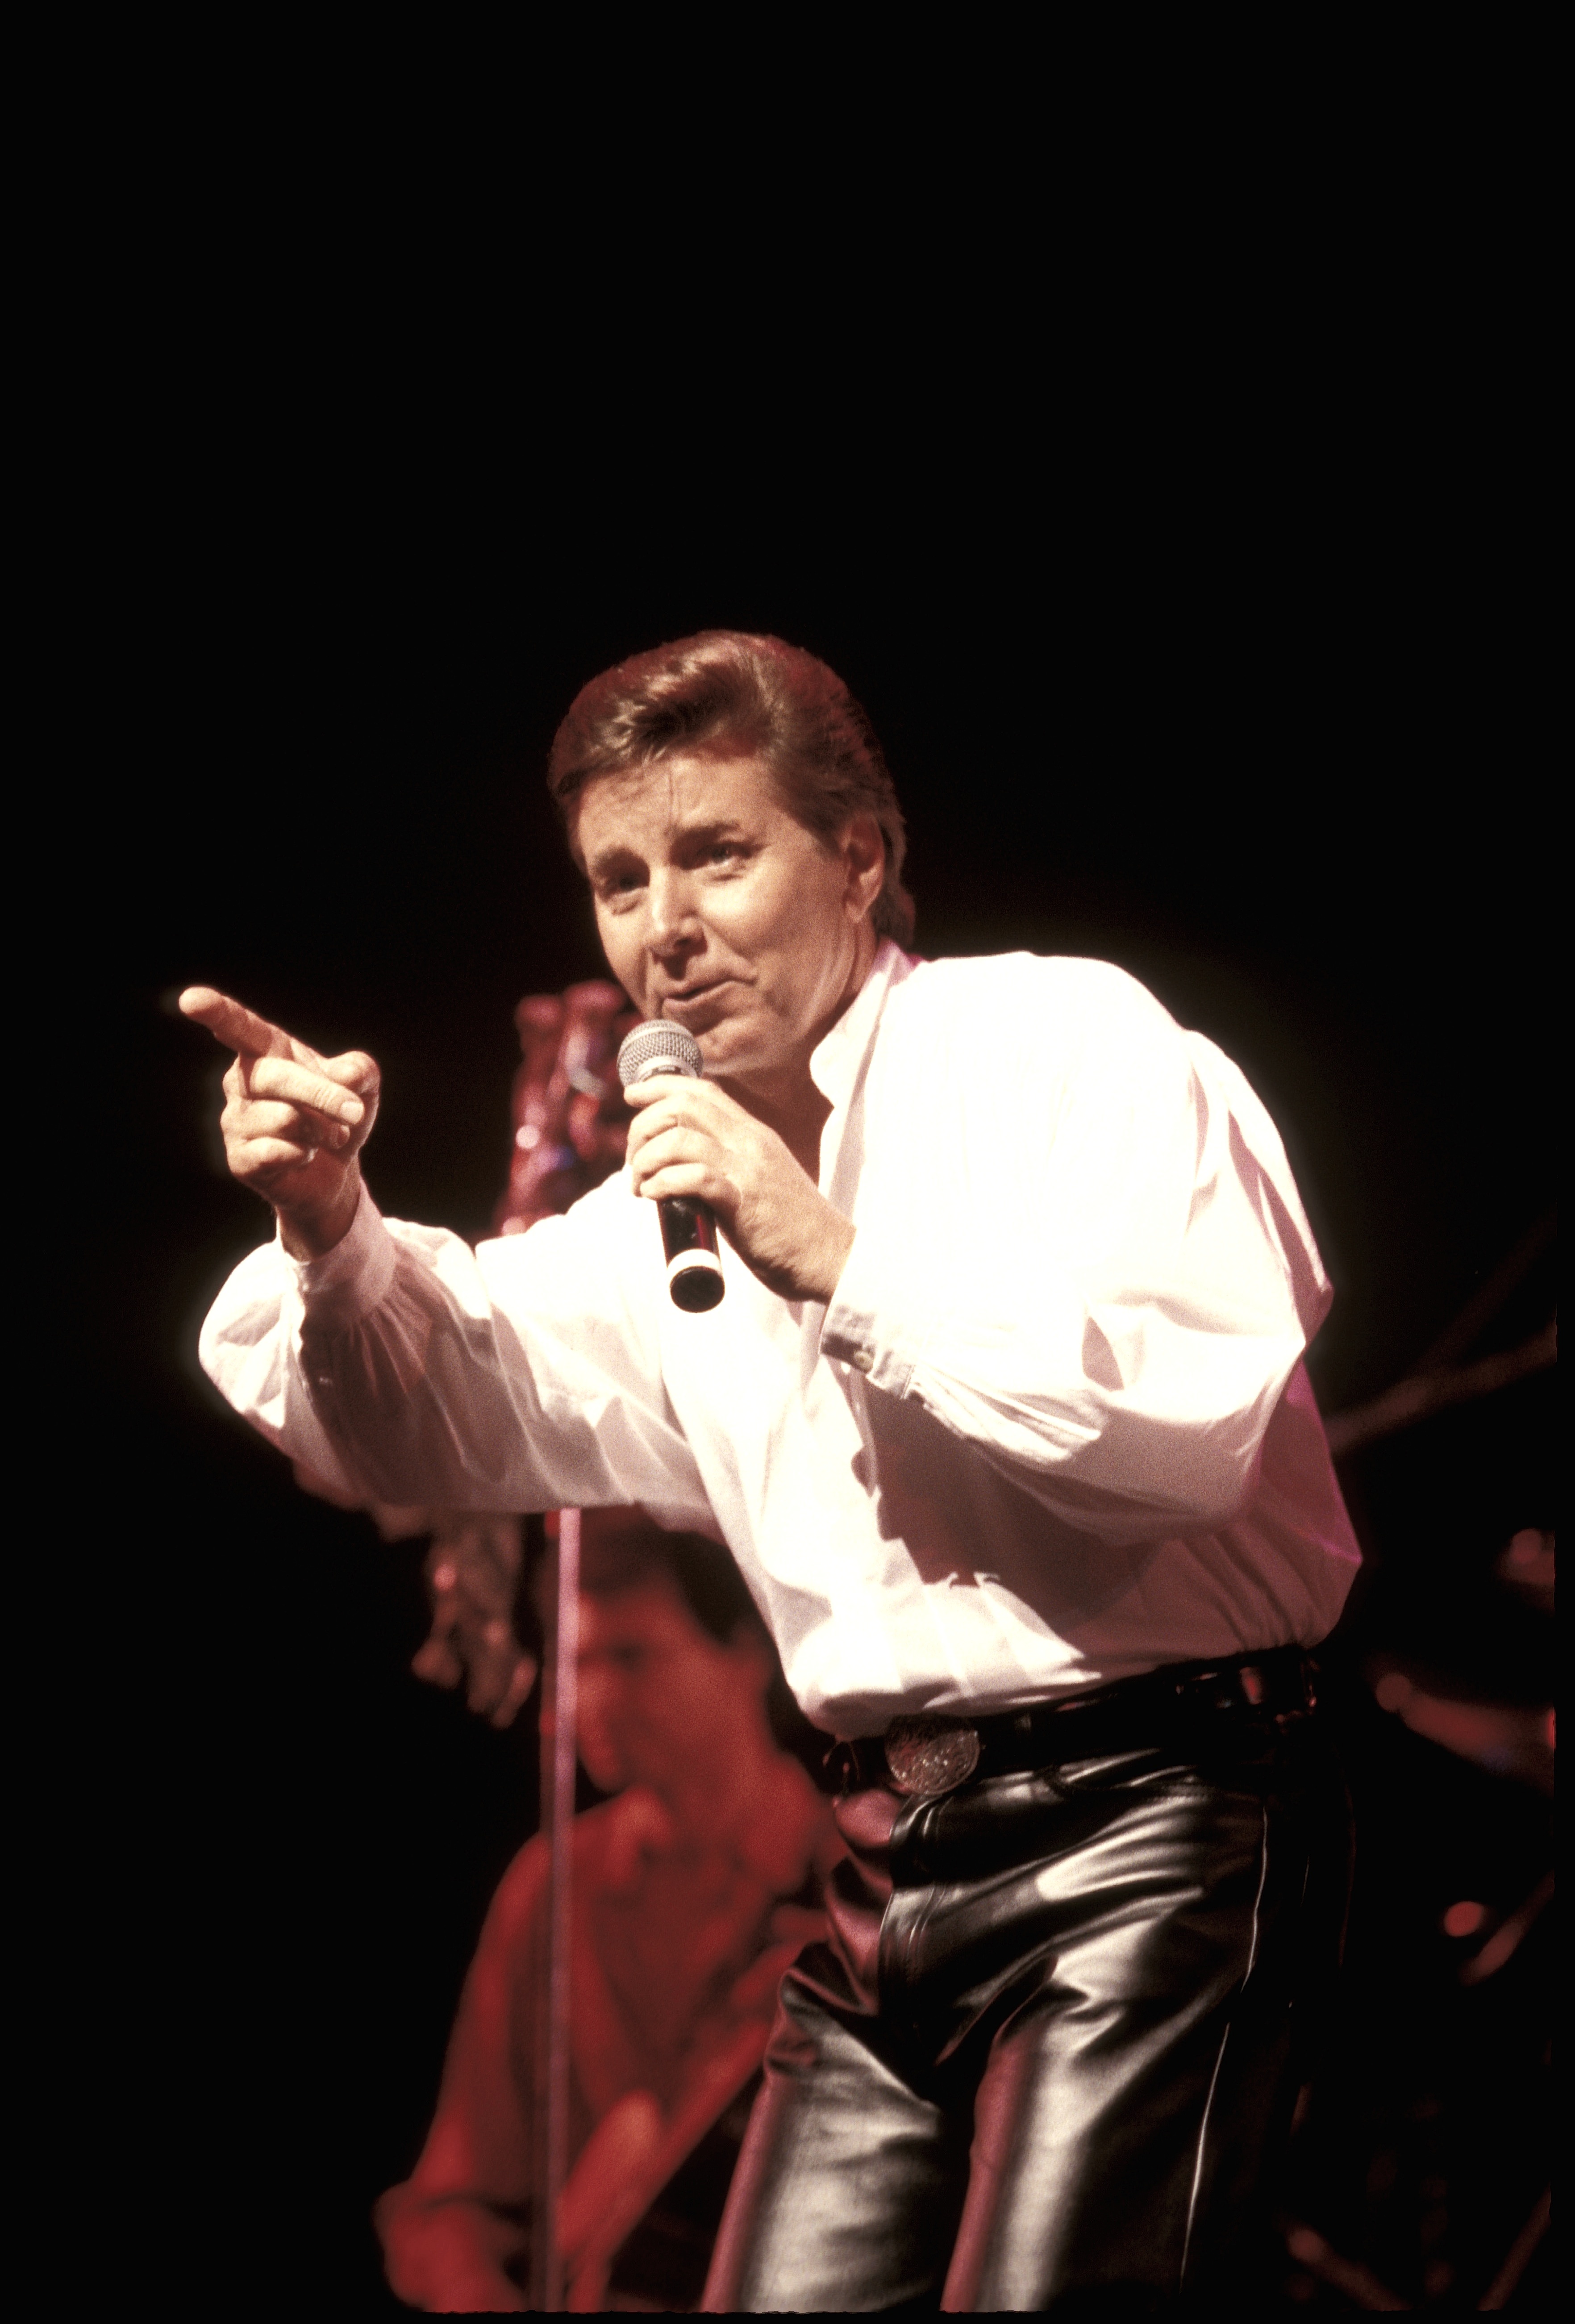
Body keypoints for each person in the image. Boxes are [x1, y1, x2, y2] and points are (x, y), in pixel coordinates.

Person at [185, 629, 1362, 2311]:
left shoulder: (1055, 1046)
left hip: (1155, 1823)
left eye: (714, 853)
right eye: (616, 878)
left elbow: (1183, 1422)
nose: (660, 928)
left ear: (860, 856)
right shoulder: (670, 1205)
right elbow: (422, 1412)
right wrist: (331, 1228)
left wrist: (832, 1255)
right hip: (885, 1858)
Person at [375, 1508, 838, 2314]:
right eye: (576, 1662)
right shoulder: (552, 1886)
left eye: (632, 1656)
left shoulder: (851, 1880)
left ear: (750, 1652)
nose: (593, 1699)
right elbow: (452, 2206)